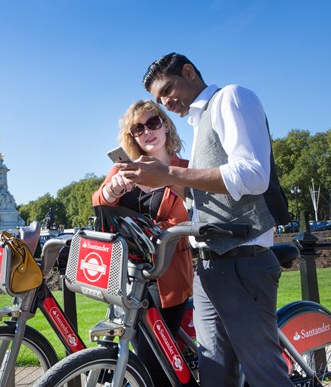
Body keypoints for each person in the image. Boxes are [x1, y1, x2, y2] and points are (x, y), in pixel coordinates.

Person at [116, 53, 291, 386]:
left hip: (242, 258)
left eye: (167, 90)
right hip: (210, 266)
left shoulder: (231, 98)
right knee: (215, 374)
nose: (166, 102)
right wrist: (167, 181)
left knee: (264, 374)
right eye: (158, 99)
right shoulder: (200, 124)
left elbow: (254, 175)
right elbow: (208, 193)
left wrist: (170, 173)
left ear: (189, 72)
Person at [92, 99, 193, 383]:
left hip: (167, 274)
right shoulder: (126, 168)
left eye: (153, 122)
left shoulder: (184, 168)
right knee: (133, 352)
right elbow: (98, 202)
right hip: (129, 275)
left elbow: (187, 215)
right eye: (138, 128)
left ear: (165, 124)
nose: (147, 131)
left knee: (153, 360)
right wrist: (112, 190)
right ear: (132, 136)